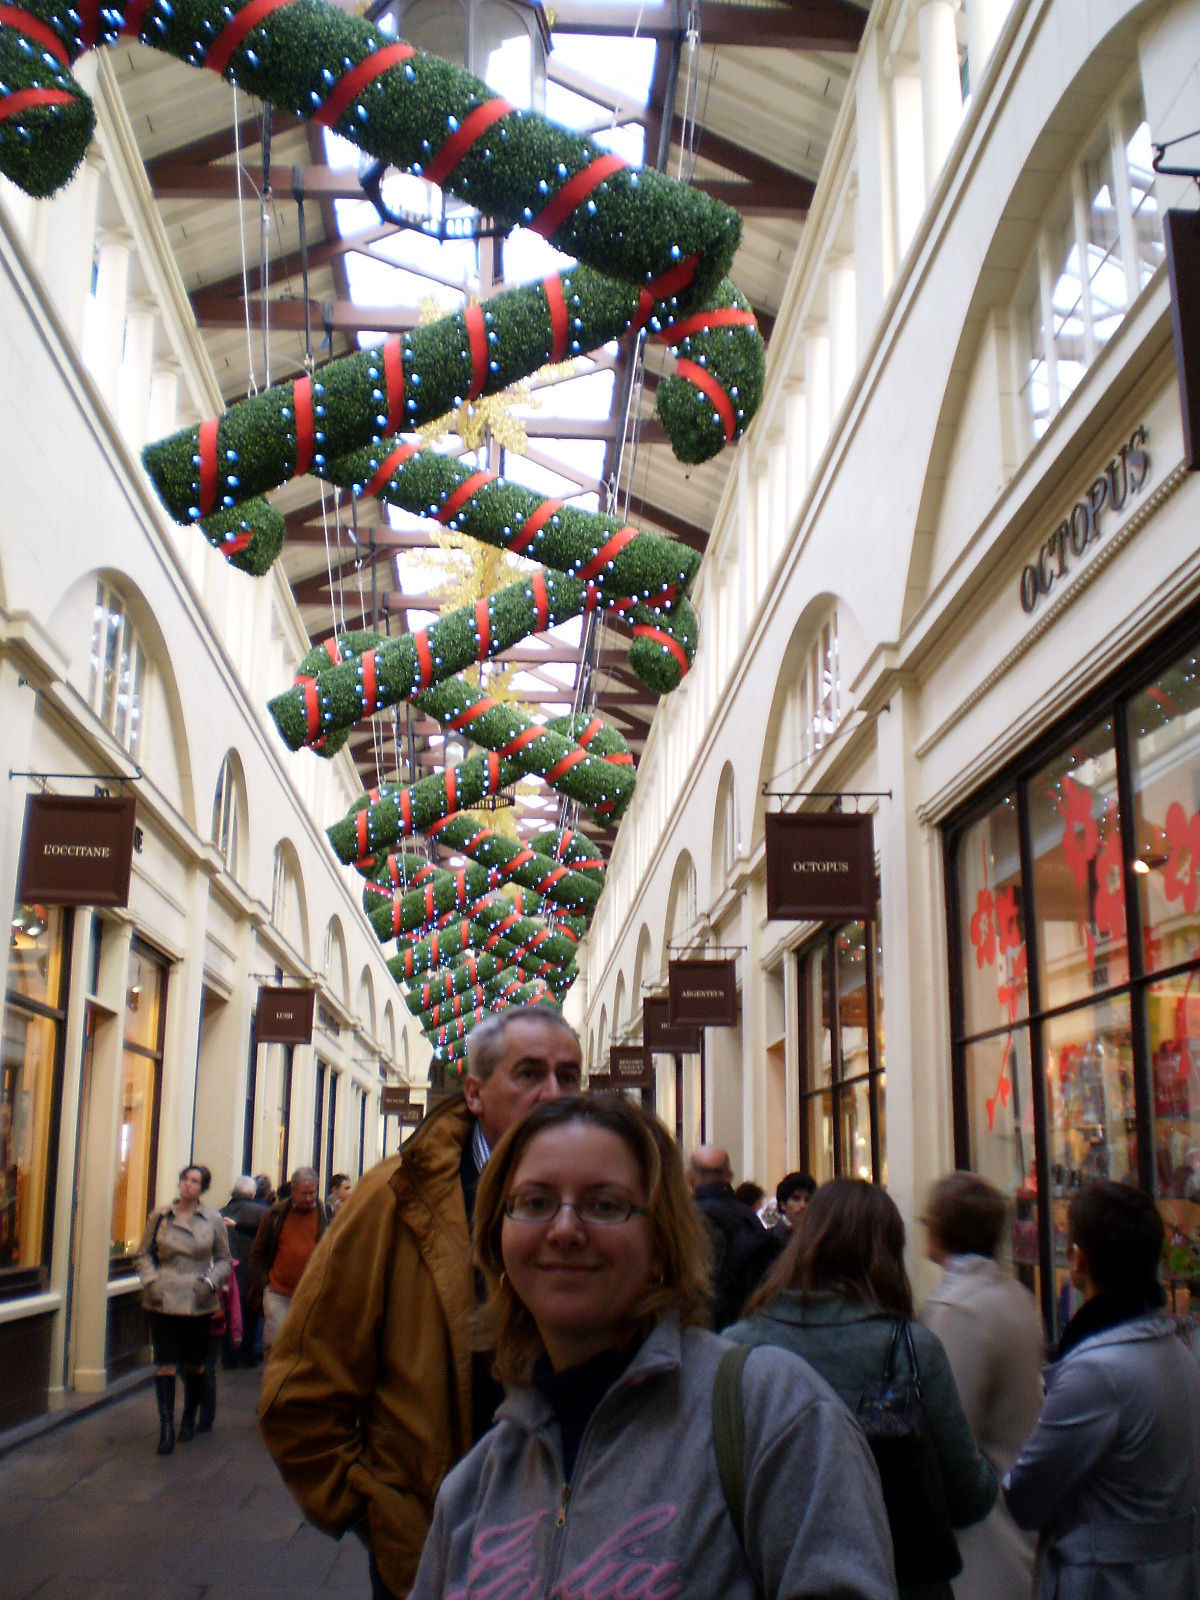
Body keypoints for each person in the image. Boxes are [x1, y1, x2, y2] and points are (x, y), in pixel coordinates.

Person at [408, 1093, 898, 1600]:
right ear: (499, 1239)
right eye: (535, 1202)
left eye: (605, 1205)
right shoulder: (477, 1486)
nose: (564, 1229)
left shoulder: (772, 1413)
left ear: (660, 1244)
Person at [259, 1004, 584, 1600]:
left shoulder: (608, 1203)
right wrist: (381, 1518)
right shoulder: (393, 1200)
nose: (554, 1093)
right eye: (530, 1073)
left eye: (569, 1076)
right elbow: (302, 1393)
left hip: (586, 1558)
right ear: (475, 1093)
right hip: (436, 1558)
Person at [726, 1177, 997, 1600]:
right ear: (886, 1252)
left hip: (766, 1579)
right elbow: (969, 1497)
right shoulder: (911, 1347)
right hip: (899, 1579)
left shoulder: (735, 1348)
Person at [1004, 1180, 1200, 1600]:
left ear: (1078, 1262)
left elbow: (1027, 1497)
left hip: (1106, 1582)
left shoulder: (1095, 1373)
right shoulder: (1179, 1356)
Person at [922, 1174, 1044, 1600]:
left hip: (982, 1542)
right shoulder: (1013, 1296)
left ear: (940, 1229)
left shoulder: (959, 1311)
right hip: (1017, 1521)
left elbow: (949, 1435)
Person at [135, 1162, 233, 1455]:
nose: (188, 1185)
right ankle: (166, 1429)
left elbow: (225, 1259)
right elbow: (143, 1254)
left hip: (197, 1297)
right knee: (165, 1362)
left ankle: (188, 1419)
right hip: (163, 1296)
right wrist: (151, 1280)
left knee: (193, 1363)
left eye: (195, 1181)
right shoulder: (160, 1216)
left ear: (203, 1188)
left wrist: (210, 1283)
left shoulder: (212, 1218)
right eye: (185, 1179)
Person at [686, 1145, 781, 1328]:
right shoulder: (749, 1215)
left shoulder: (692, 1216)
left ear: (690, 1178)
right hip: (750, 1318)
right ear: (729, 1175)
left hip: (711, 1324)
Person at [249, 1166, 326, 1354]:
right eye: (303, 1194)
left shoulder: (327, 1216)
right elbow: (257, 1252)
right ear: (292, 1192)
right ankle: (275, 1381)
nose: (309, 1199)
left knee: (306, 1346)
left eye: (312, 1193)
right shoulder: (276, 1215)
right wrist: (264, 1283)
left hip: (312, 1293)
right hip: (278, 1292)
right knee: (276, 1343)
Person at [221, 1174, 268, 1366]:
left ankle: (229, 1357)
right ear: (252, 1193)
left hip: (227, 1272)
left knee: (228, 1312)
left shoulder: (220, 1212)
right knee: (250, 1314)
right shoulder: (262, 1212)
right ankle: (247, 1355)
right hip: (251, 1272)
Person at [772, 1171, 818, 1240]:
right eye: (796, 1199)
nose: (803, 1205)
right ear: (783, 1204)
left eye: (807, 1200)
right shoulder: (771, 1240)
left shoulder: (818, 1236)